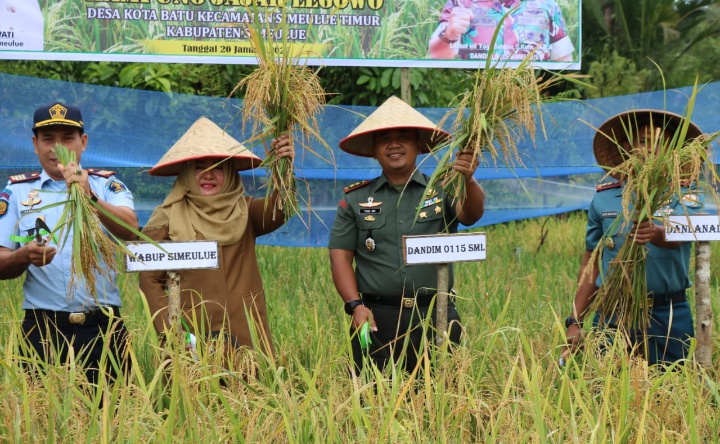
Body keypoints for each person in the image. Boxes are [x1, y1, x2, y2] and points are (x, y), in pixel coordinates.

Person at [328, 96, 485, 376]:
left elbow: (470, 214)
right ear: (375, 150)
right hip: (376, 316)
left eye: (403, 137)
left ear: (417, 146)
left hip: (436, 314)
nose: (394, 144)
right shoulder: (356, 199)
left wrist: (469, 179)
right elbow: (340, 255)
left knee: (441, 400)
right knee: (375, 402)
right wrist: (354, 306)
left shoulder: (443, 188)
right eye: (385, 139)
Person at [0, 102, 138, 384]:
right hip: (42, 330)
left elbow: (131, 229)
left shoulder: (106, 185)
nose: (56, 147)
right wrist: (24, 254)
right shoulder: (17, 193)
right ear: (35, 144)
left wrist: (88, 195)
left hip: (103, 328)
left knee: (114, 420)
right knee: (38, 421)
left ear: (83, 142)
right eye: (48, 139)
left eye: (67, 138)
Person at [138, 116, 294, 365]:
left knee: (251, 398)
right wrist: (171, 330)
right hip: (191, 338)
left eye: (219, 167)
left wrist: (283, 167)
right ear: (187, 172)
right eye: (199, 166)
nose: (208, 175)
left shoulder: (245, 211)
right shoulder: (166, 217)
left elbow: (279, 209)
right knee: (191, 399)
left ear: (230, 172)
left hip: (245, 333)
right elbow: (149, 279)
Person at [562, 109, 704, 366]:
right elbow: (591, 264)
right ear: (627, 146)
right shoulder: (604, 198)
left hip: (668, 314)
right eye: (643, 141)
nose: (651, 150)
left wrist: (658, 233)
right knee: (607, 393)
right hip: (612, 312)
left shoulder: (685, 195)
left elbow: (688, 230)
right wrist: (575, 321)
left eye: (661, 143)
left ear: (673, 150)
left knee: (673, 392)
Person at [429, 0, 575, 62]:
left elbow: (564, 63)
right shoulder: (462, 3)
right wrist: (450, 35)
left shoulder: (547, 4)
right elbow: (436, 54)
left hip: (530, 99)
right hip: (476, 97)